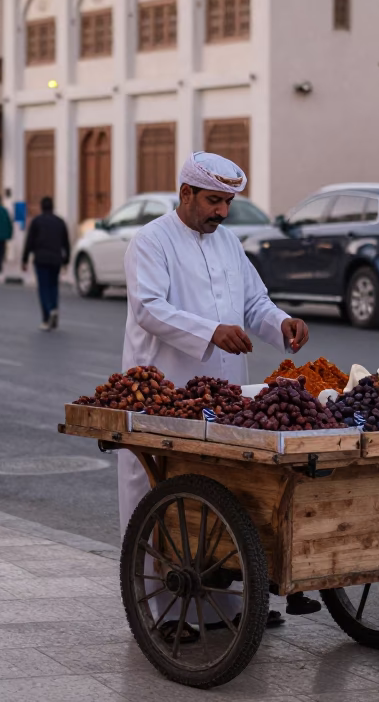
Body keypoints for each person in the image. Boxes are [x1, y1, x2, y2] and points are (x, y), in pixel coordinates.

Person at [120, 152, 315, 627]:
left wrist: (282, 321)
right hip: (165, 393)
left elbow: (254, 302)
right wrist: (209, 330)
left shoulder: (229, 243)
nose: (222, 212)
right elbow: (148, 308)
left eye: (227, 202)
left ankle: (232, 607)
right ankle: (164, 611)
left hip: (223, 395)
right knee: (163, 497)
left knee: (225, 497)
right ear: (185, 193)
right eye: (213, 201)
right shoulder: (151, 241)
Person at [22, 196, 70, 331]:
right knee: (54, 286)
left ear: (41, 207)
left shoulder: (36, 222)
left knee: (43, 288)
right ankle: (54, 309)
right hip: (56, 260)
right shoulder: (60, 222)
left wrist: (24, 260)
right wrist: (66, 260)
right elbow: (66, 242)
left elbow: (29, 242)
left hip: (41, 259)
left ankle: (46, 316)